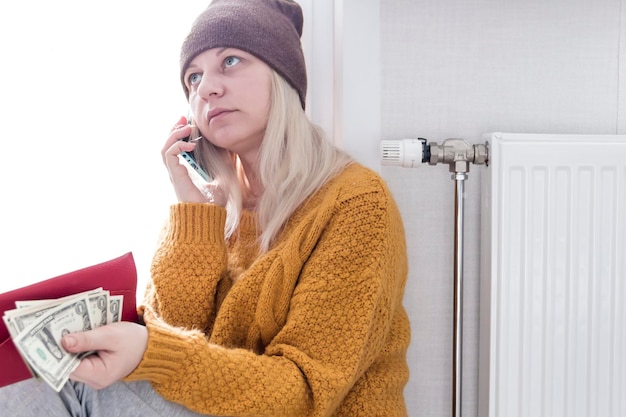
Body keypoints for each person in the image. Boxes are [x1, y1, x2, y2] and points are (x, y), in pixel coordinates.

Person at [0, 0, 410, 416]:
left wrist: (149, 351)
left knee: (53, 388)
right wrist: (194, 218)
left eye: (230, 61)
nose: (206, 88)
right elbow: (175, 341)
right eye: (193, 77)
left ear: (282, 76)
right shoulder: (212, 213)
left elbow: (303, 393)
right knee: (29, 377)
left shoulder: (356, 204)